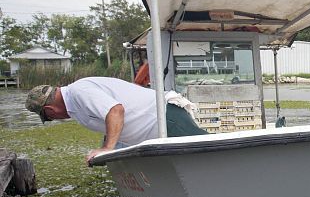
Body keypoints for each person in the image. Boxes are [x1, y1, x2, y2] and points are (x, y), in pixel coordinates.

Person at [25, 77, 207, 164]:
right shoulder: (74, 105)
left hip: (166, 118)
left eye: (49, 118)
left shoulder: (79, 92)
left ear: (50, 110)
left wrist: (107, 149)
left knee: (205, 157)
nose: (54, 119)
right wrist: (107, 152)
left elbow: (115, 111)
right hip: (155, 132)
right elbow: (108, 121)